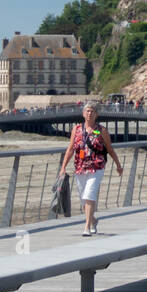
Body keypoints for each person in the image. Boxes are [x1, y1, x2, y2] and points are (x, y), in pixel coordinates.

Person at [59, 101, 123, 237]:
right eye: (87, 111)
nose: (89, 113)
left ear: (96, 114)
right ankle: (93, 220)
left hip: (96, 166)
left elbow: (110, 149)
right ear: (83, 114)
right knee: (84, 199)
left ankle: (86, 227)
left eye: (92, 111)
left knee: (89, 195)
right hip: (80, 167)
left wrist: (118, 165)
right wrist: (63, 167)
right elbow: (70, 149)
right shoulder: (76, 129)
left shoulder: (101, 130)